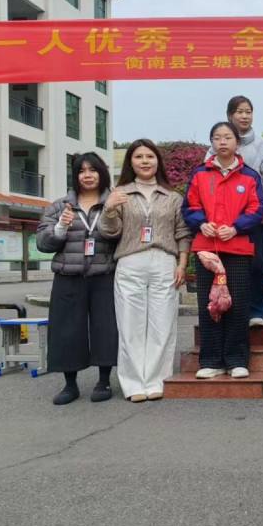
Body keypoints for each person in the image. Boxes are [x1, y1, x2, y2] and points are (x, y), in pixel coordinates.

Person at [99, 139, 191, 402]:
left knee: (162, 324)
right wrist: (109, 209)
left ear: (158, 161)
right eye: (138, 157)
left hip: (164, 261)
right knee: (130, 325)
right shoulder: (120, 193)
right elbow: (110, 232)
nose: (145, 161)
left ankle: (156, 380)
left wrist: (182, 264)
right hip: (131, 261)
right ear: (131, 162)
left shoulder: (172, 197)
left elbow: (183, 233)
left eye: (150, 156)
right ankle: (133, 384)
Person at [182, 122, 263, 379]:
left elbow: (257, 209)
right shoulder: (200, 174)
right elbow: (189, 207)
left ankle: (237, 359)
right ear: (212, 143)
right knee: (210, 305)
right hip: (206, 249)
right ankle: (211, 360)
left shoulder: (250, 176)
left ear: (237, 143)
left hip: (237, 248)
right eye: (217, 137)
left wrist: (237, 227)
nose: (222, 142)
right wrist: (201, 223)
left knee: (237, 304)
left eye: (227, 137)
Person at [36, 153, 118, 405]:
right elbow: (42, 243)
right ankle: (70, 385)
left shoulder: (113, 202)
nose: (87, 175)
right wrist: (60, 227)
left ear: (102, 173)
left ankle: (104, 381)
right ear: (75, 176)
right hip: (68, 275)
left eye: (93, 170)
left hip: (104, 274)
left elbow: (123, 236)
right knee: (66, 330)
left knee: (106, 328)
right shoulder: (60, 206)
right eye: (82, 171)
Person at [207, 96, 263, 328]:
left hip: (254, 217)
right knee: (226, 266)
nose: (244, 116)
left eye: (248, 111)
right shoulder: (214, 147)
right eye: (239, 111)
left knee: (257, 264)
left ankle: (257, 310)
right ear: (230, 115)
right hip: (223, 221)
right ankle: (230, 309)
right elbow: (206, 180)